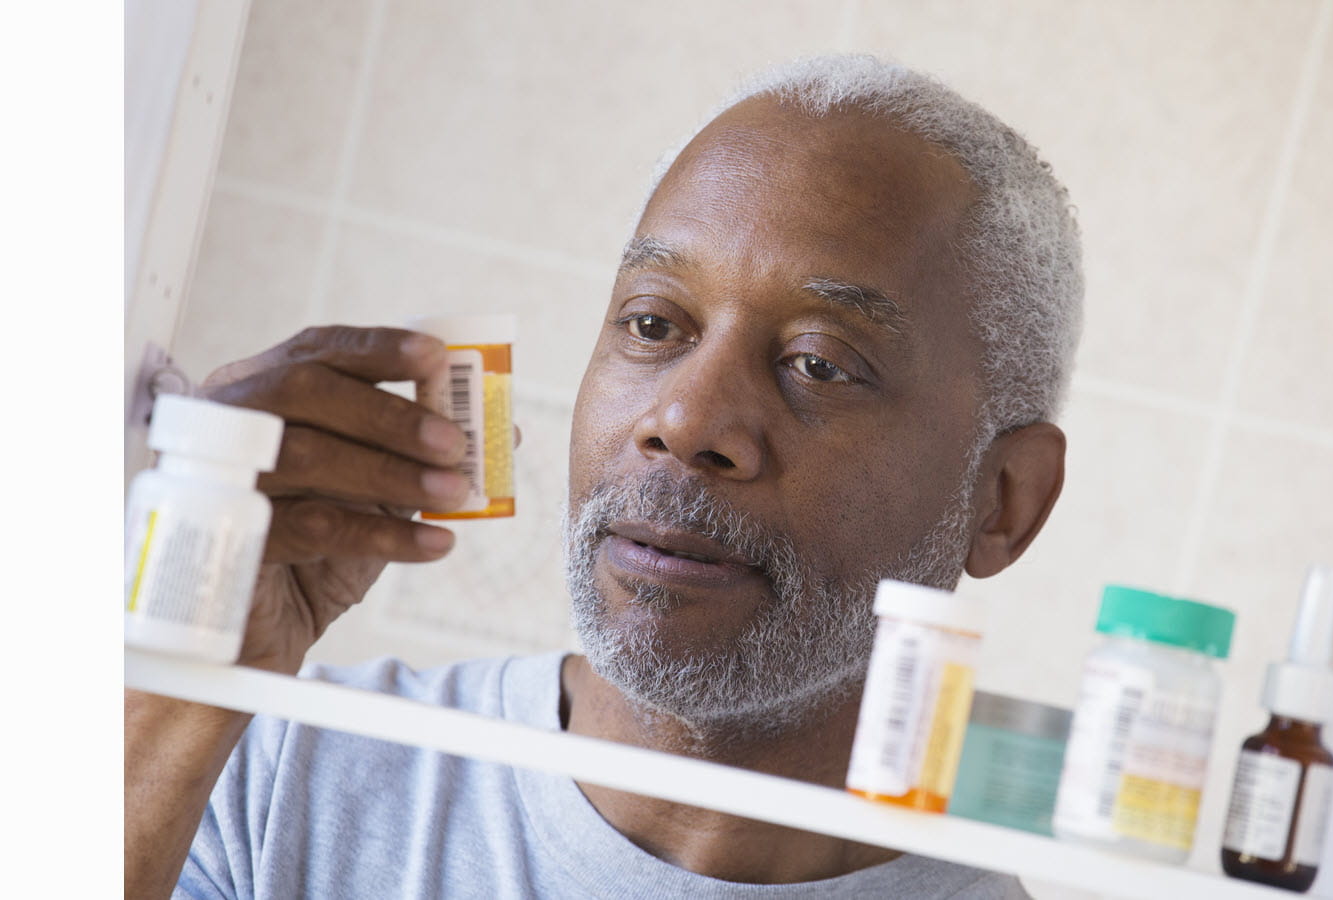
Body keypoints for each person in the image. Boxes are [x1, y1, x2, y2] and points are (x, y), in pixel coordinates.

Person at [125, 53, 1084, 898]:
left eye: (821, 364)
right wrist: (179, 698)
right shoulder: (268, 774)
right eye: (654, 324)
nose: (687, 422)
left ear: (1001, 503)